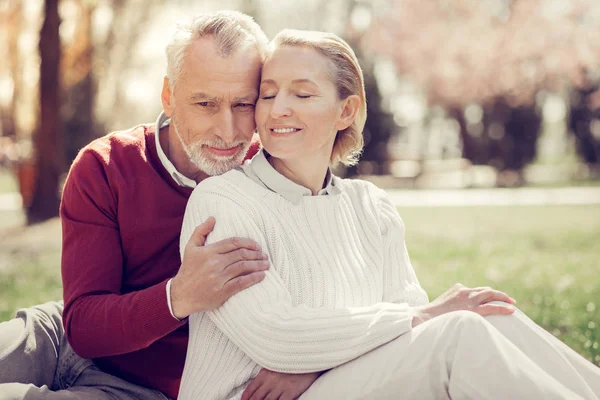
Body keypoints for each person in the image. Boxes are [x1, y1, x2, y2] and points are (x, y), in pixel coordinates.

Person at [178, 29, 600, 400]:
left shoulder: (369, 204)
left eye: (302, 94)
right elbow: (278, 336)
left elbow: (403, 329)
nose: (277, 109)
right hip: (250, 395)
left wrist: (318, 363)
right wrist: (424, 316)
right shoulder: (224, 202)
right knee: (456, 333)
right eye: (267, 94)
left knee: (488, 315)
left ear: (346, 111)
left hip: (332, 381)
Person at [0, 11, 321, 400]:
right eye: (205, 103)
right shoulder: (104, 166)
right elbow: (82, 326)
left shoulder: (281, 174)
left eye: (243, 104)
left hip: (149, 388)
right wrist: (179, 296)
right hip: (60, 339)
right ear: (169, 97)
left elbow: (349, 292)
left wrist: (310, 365)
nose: (228, 130)